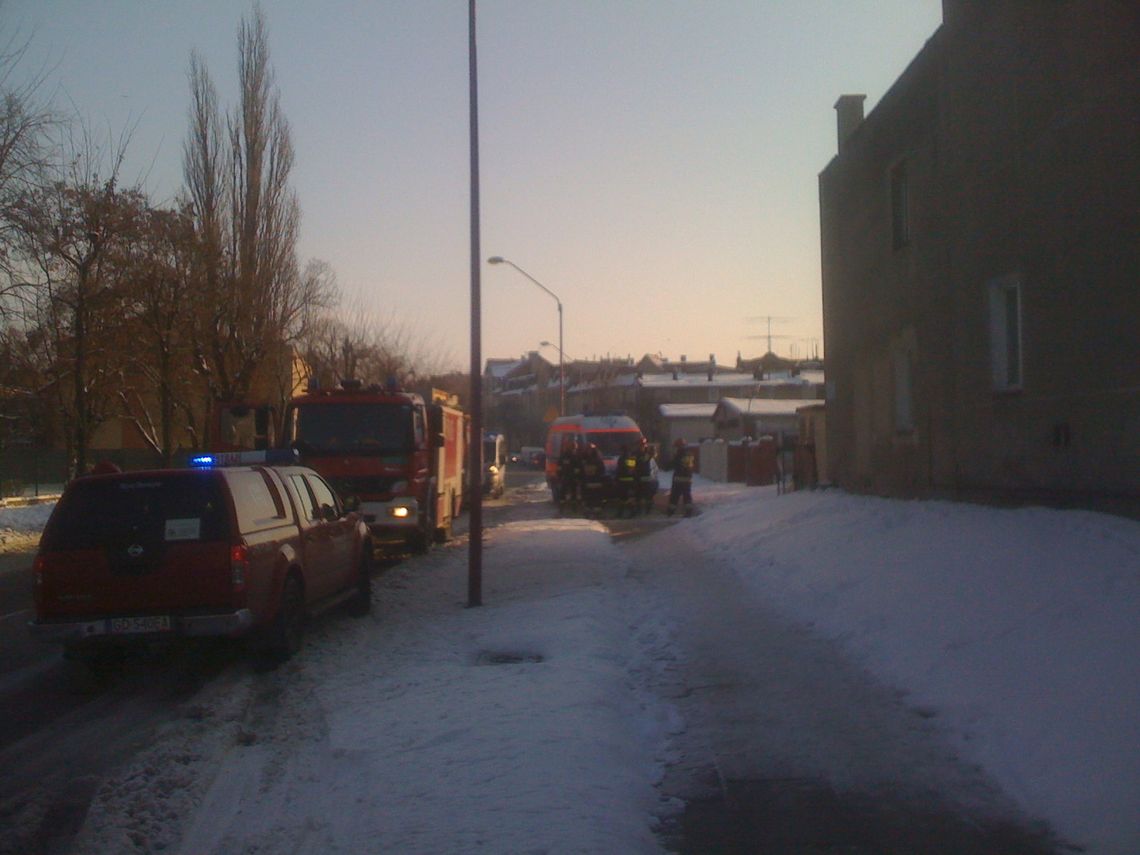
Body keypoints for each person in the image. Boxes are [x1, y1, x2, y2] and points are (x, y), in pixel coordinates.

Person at [667, 438, 695, 517]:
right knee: (687, 495)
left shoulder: (679, 454)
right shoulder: (690, 454)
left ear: (679, 447)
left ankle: (670, 512)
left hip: (679, 479)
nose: (675, 449)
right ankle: (689, 511)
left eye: (676, 447)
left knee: (674, 496)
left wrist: (667, 464)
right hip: (688, 478)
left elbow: (672, 465)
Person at [579, 443, 606, 516]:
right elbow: (602, 470)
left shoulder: (586, 461)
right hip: (592, 483)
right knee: (593, 498)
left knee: (592, 498)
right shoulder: (598, 460)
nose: (589, 451)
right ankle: (594, 512)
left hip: (591, 483)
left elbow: (581, 472)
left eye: (590, 450)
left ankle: (594, 512)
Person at [556, 436, 580, 513]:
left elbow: (578, 468)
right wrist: (559, 476)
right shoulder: (564, 456)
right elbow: (559, 467)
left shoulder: (575, 457)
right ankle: (563, 508)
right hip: (565, 477)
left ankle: (573, 508)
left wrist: (577, 477)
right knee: (564, 493)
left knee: (572, 493)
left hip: (571, 478)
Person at [634, 436, 656, 514]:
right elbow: (631, 464)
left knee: (647, 496)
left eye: (643, 445)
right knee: (638, 496)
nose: (642, 446)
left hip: (646, 477)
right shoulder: (636, 453)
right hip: (638, 477)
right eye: (641, 445)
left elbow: (654, 459)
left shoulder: (648, 453)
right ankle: (639, 510)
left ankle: (648, 510)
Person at [615, 444, 638, 517]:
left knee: (622, 498)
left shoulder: (621, 459)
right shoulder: (630, 459)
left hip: (623, 482)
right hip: (630, 481)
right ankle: (632, 512)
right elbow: (632, 470)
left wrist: (617, 478)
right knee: (629, 498)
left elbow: (620, 470)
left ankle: (621, 513)